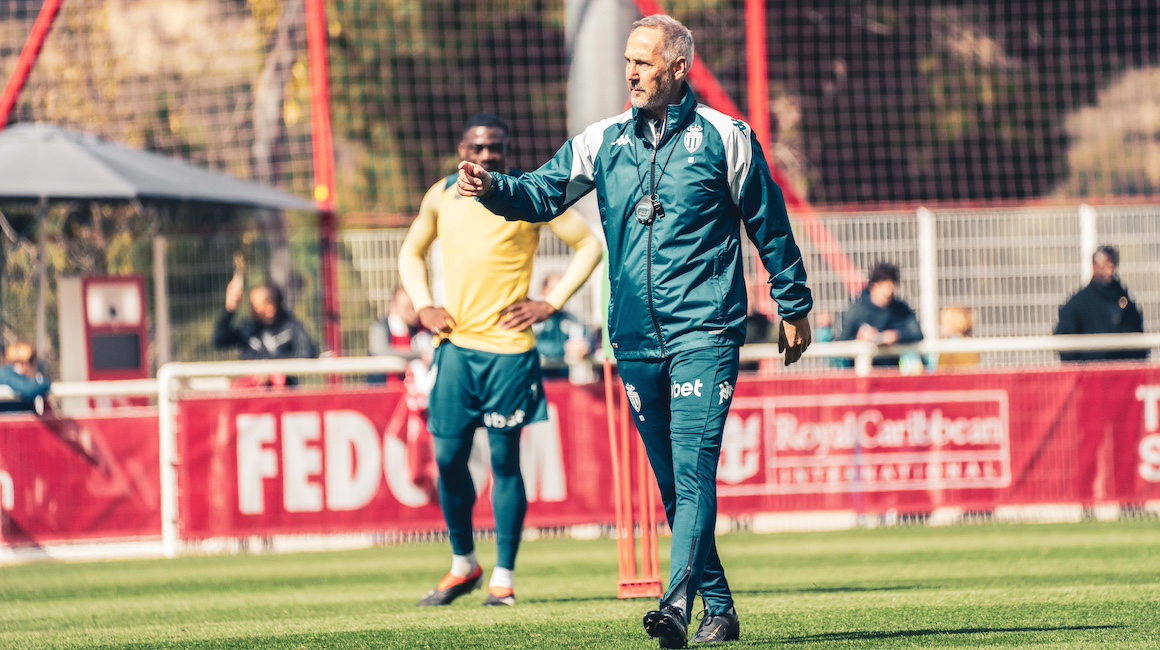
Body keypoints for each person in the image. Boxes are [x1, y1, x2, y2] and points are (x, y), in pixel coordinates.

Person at [457, 16, 813, 647]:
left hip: (705, 330)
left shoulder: (727, 138)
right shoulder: (603, 140)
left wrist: (794, 303)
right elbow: (542, 193)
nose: (631, 73)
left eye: (644, 62)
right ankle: (720, 609)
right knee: (674, 486)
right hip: (634, 337)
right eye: (627, 61)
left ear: (678, 68)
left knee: (694, 471)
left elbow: (770, 222)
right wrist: (494, 189)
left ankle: (675, 604)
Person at [400, 113, 602, 608]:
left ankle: (504, 579)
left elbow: (589, 245)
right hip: (455, 349)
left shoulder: (525, 194)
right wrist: (423, 305)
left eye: (495, 147)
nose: (487, 155)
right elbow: (410, 253)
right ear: (462, 150)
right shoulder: (440, 195)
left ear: (506, 151)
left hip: (509, 353)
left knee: (504, 463)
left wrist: (550, 304)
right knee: (448, 459)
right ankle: (463, 565)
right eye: (478, 147)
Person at [212, 278, 319, 386]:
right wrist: (230, 310)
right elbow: (219, 340)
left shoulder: (291, 327)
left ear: (270, 308)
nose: (250, 309)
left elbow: (307, 352)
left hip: (284, 391)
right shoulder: (248, 329)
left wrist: (272, 367)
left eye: (254, 305)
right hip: (252, 391)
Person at [1054, 245, 1147, 362]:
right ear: (1094, 266)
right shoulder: (1078, 304)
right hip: (1090, 369)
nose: (1109, 272)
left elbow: (1136, 334)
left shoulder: (1125, 301)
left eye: (1111, 266)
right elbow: (1065, 342)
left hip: (1123, 368)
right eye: (1103, 267)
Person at [837, 262, 923, 368]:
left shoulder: (900, 309)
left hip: (892, 369)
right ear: (874, 286)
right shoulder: (856, 310)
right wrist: (859, 338)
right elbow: (841, 341)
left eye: (891, 286)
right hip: (861, 370)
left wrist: (896, 335)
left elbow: (917, 333)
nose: (888, 292)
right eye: (885, 286)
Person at [533, 273, 591, 379]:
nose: (561, 295)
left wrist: (583, 347)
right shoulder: (534, 319)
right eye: (555, 290)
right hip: (539, 379)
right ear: (543, 291)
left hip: (564, 380)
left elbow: (586, 339)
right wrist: (565, 348)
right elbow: (534, 345)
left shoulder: (571, 319)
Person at [0, 341, 51, 414]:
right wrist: (45, 383)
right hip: (12, 420)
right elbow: (29, 391)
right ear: (26, 362)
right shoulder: (6, 374)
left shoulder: (11, 375)